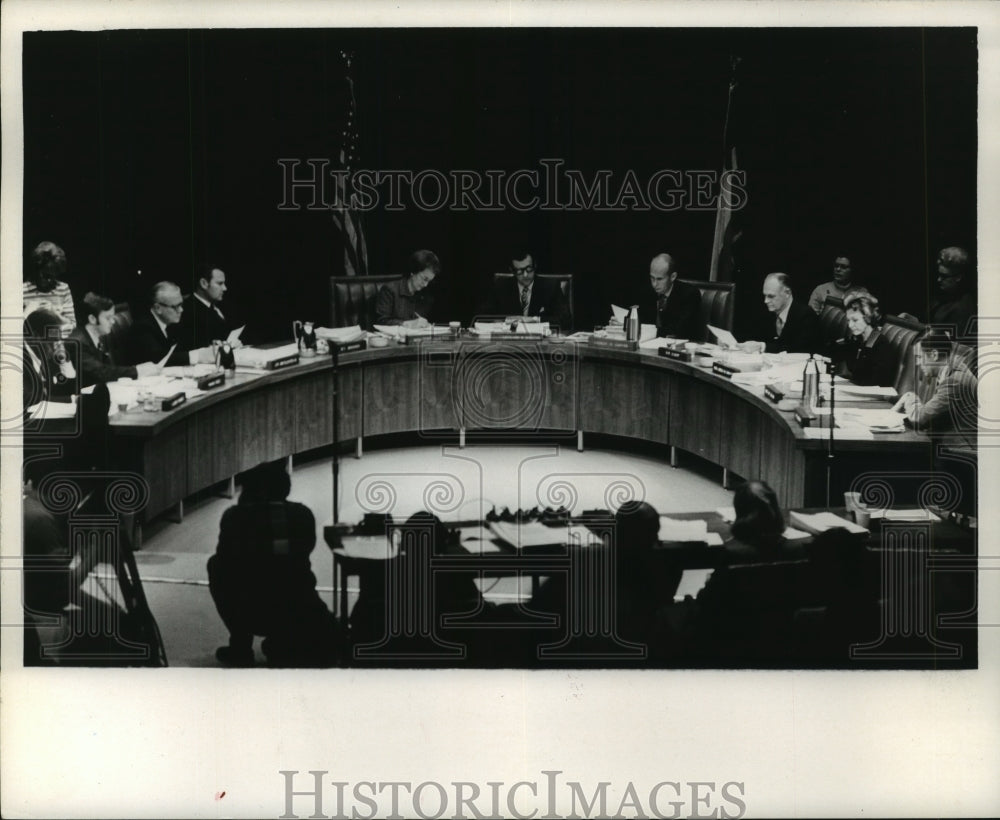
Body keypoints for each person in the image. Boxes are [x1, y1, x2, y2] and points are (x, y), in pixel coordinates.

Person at [207, 460, 339, 667]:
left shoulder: (235, 517)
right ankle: (284, 640)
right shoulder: (302, 515)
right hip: (298, 606)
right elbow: (305, 551)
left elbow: (225, 558)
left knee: (215, 565)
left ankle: (240, 645)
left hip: (250, 609)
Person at [892, 329, 977, 437]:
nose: (917, 363)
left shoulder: (954, 381)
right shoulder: (950, 369)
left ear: (934, 355)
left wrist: (910, 398)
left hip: (958, 445)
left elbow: (919, 418)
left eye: (919, 357)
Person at [68, 292, 161, 387]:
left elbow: (107, 368)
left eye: (113, 317)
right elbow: (101, 372)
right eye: (108, 318)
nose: (113, 321)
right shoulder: (78, 343)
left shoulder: (95, 335)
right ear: (92, 319)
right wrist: (137, 370)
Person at [124, 281, 213, 367]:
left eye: (181, 304)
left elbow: (185, 346)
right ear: (158, 308)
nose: (181, 310)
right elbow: (158, 358)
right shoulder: (142, 328)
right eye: (176, 307)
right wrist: (196, 356)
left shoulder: (170, 323)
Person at [481, 250, 570, 330]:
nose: (525, 275)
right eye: (519, 271)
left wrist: (534, 320)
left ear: (535, 265)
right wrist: (504, 320)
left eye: (529, 269)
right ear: (512, 271)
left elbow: (565, 320)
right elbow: (483, 317)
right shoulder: (501, 286)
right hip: (510, 339)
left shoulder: (550, 286)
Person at [828, 292, 896, 387]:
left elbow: (877, 383)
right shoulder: (856, 340)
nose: (850, 325)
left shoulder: (881, 345)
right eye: (848, 320)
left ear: (868, 317)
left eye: (855, 320)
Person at [757, 272, 823, 354]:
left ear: (787, 293)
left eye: (771, 296)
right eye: (765, 296)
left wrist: (763, 346)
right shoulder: (767, 312)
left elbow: (799, 350)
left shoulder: (806, 315)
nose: (766, 301)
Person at [177, 263, 240, 349]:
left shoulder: (221, 305)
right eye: (220, 283)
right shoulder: (186, 311)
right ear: (204, 283)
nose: (225, 288)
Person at [645, 253, 704, 341]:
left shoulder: (689, 294)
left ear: (673, 277)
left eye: (659, 279)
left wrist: (650, 331)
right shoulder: (648, 291)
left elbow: (679, 330)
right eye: (652, 278)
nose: (654, 284)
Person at [375, 249, 440, 327]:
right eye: (424, 279)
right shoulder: (389, 290)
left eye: (429, 281)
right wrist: (406, 324)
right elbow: (381, 321)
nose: (426, 285)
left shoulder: (426, 296)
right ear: (413, 271)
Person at [23, 241, 75, 336]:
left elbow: (72, 325)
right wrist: (27, 313)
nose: (50, 280)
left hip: (58, 342)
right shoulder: (22, 290)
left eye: (54, 276)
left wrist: (55, 314)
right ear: (37, 270)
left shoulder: (63, 288)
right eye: (46, 276)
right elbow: (11, 328)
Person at [929, 246, 976, 337]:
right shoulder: (943, 295)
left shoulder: (963, 309)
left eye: (944, 276)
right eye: (939, 274)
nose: (939, 279)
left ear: (958, 277)